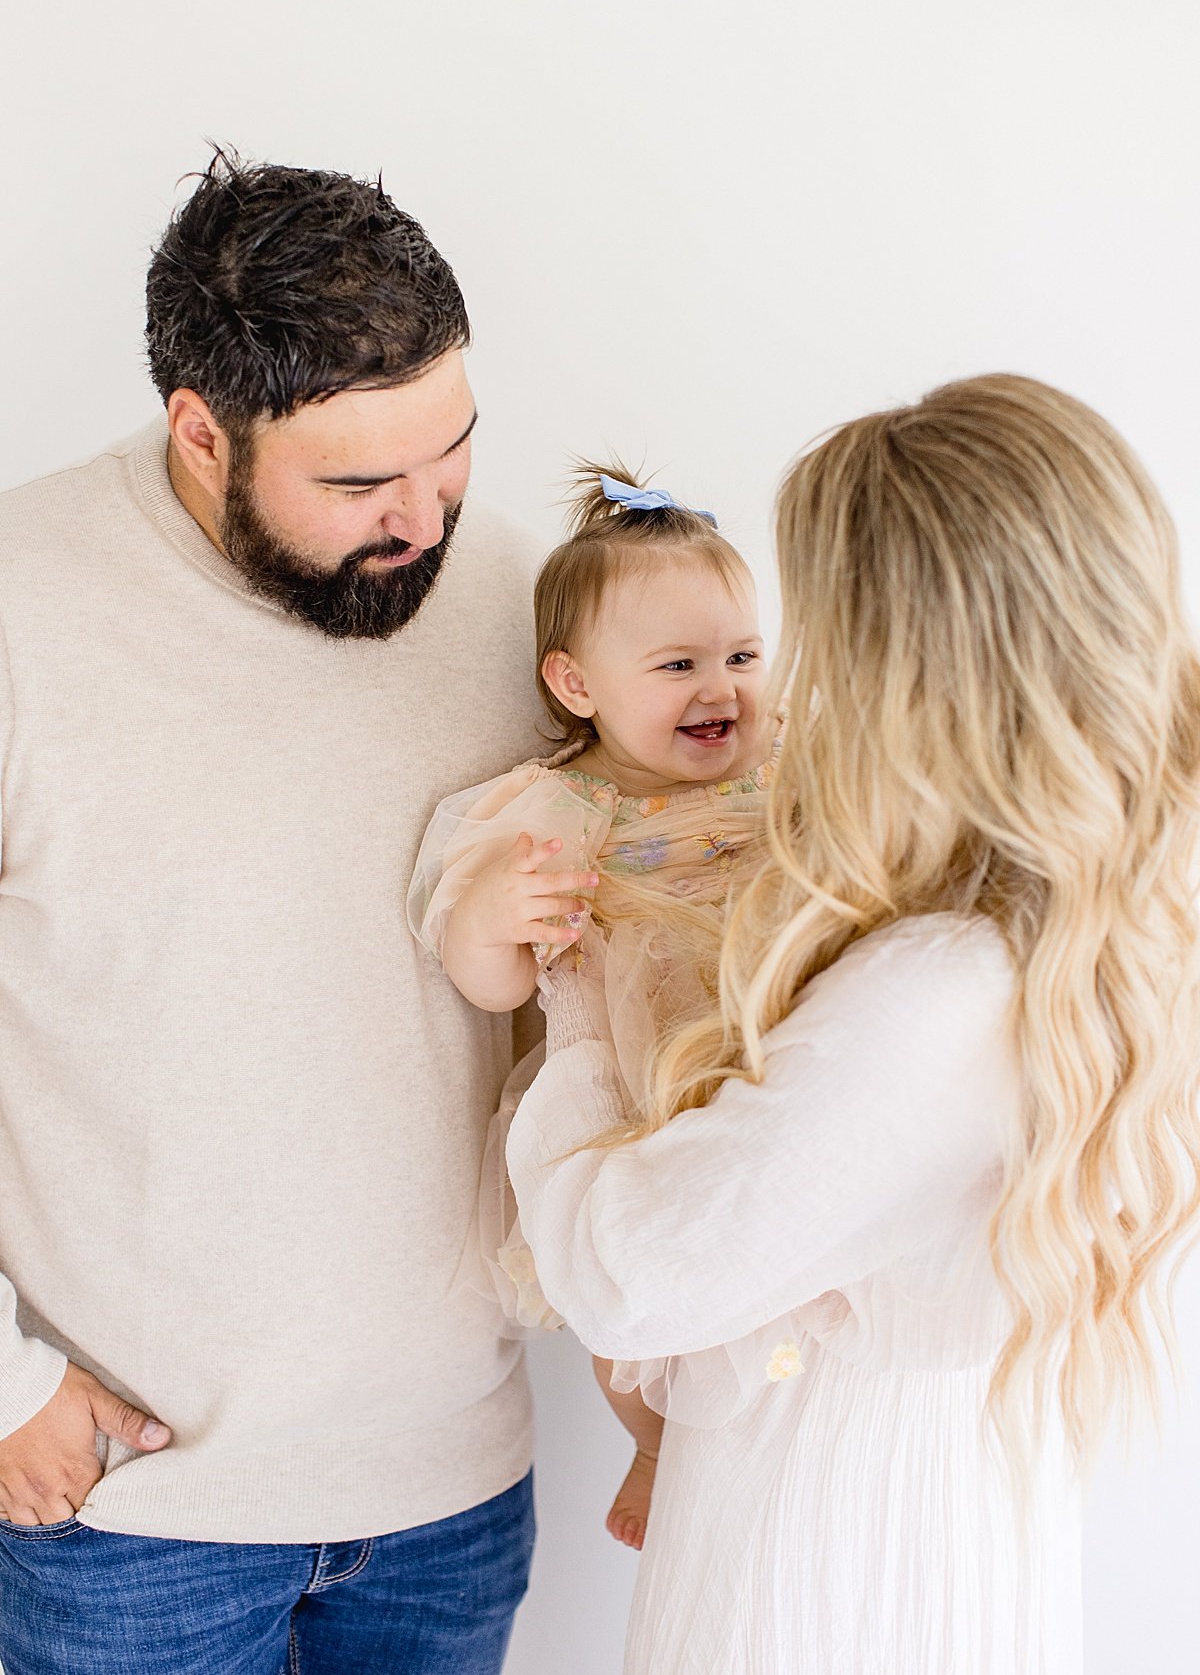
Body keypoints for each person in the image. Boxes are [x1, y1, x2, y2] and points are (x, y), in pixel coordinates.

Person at [507, 375, 1200, 1673]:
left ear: (913, 672)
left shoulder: (937, 992)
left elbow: (628, 1269)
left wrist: (586, 1017)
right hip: (942, 1522)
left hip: (821, 1565)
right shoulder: (1098, 916)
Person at [0, 152, 543, 1673]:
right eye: (360, 483)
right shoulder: (22, 605)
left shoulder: (527, 601)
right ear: (199, 431)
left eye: (452, 456)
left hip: (454, 1496)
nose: (423, 521)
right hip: (133, 1523)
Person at [407, 466, 775, 1550]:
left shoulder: (788, 769)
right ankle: (654, 1440)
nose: (722, 689)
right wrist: (493, 911)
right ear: (576, 685)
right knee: (624, 1293)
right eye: (678, 666)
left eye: (742, 656)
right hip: (626, 1088)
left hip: (768, 1062)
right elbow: (491, 984)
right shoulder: (553, 808)